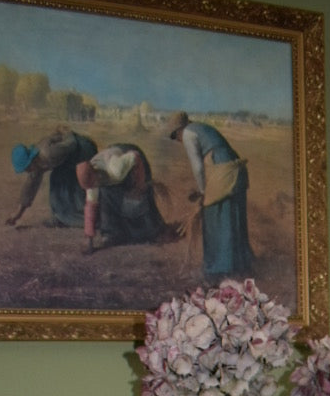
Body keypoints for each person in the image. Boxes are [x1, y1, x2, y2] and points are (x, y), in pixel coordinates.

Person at [168, 111, 254, 280]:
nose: (177, 141)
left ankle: (219, 268)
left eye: (174, 136)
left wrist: (202, 192)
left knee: (215, 215)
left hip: (221, 168)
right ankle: (240, 264)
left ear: (178, 130)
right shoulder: (201, 127)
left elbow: (198, 167)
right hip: (231, 167)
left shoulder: (188, 134)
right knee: (233, 213)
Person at [84, 143, 172, 246]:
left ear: (96, 174)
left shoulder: (115, 169)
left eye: (94, 183)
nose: (93, 186)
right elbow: (91, 205)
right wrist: (89, 238)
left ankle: (154, 232)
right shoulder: (91, 181)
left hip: (133, 159)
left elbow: (136, 156)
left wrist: (140, 185)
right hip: (113, 165)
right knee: (104, 195)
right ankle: (112, 234)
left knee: (138, 199)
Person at [7, 128, 97, 228]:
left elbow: (72, 144)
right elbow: (30, 187)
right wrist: (17, 214)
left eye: (27, 167)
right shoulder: (36, 163)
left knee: (74, 184)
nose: (27, 171)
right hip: (69, 157)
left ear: (31, 160)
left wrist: (67, 133)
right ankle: (61, 217)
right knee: (57, 180)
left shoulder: (48, 153)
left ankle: (89, 219)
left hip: (83, 149)